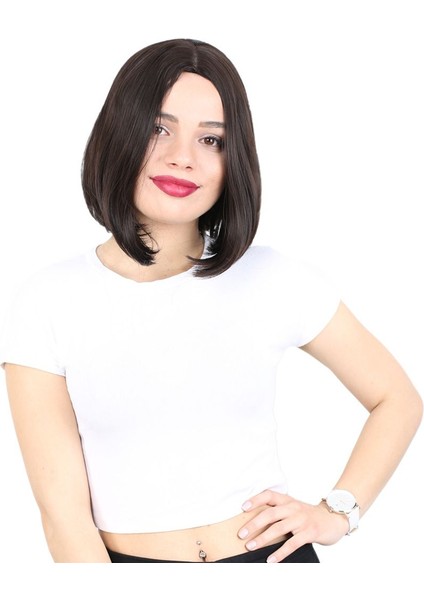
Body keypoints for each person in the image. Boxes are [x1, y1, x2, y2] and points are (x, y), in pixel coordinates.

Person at [0, 38, 422, 564]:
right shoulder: (47, 302)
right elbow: (64, 520)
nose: (183, 157)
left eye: (211, 140)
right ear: (119, 135)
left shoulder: (272, 278)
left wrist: (338, 512)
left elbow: (397, 399)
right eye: (159, 129)